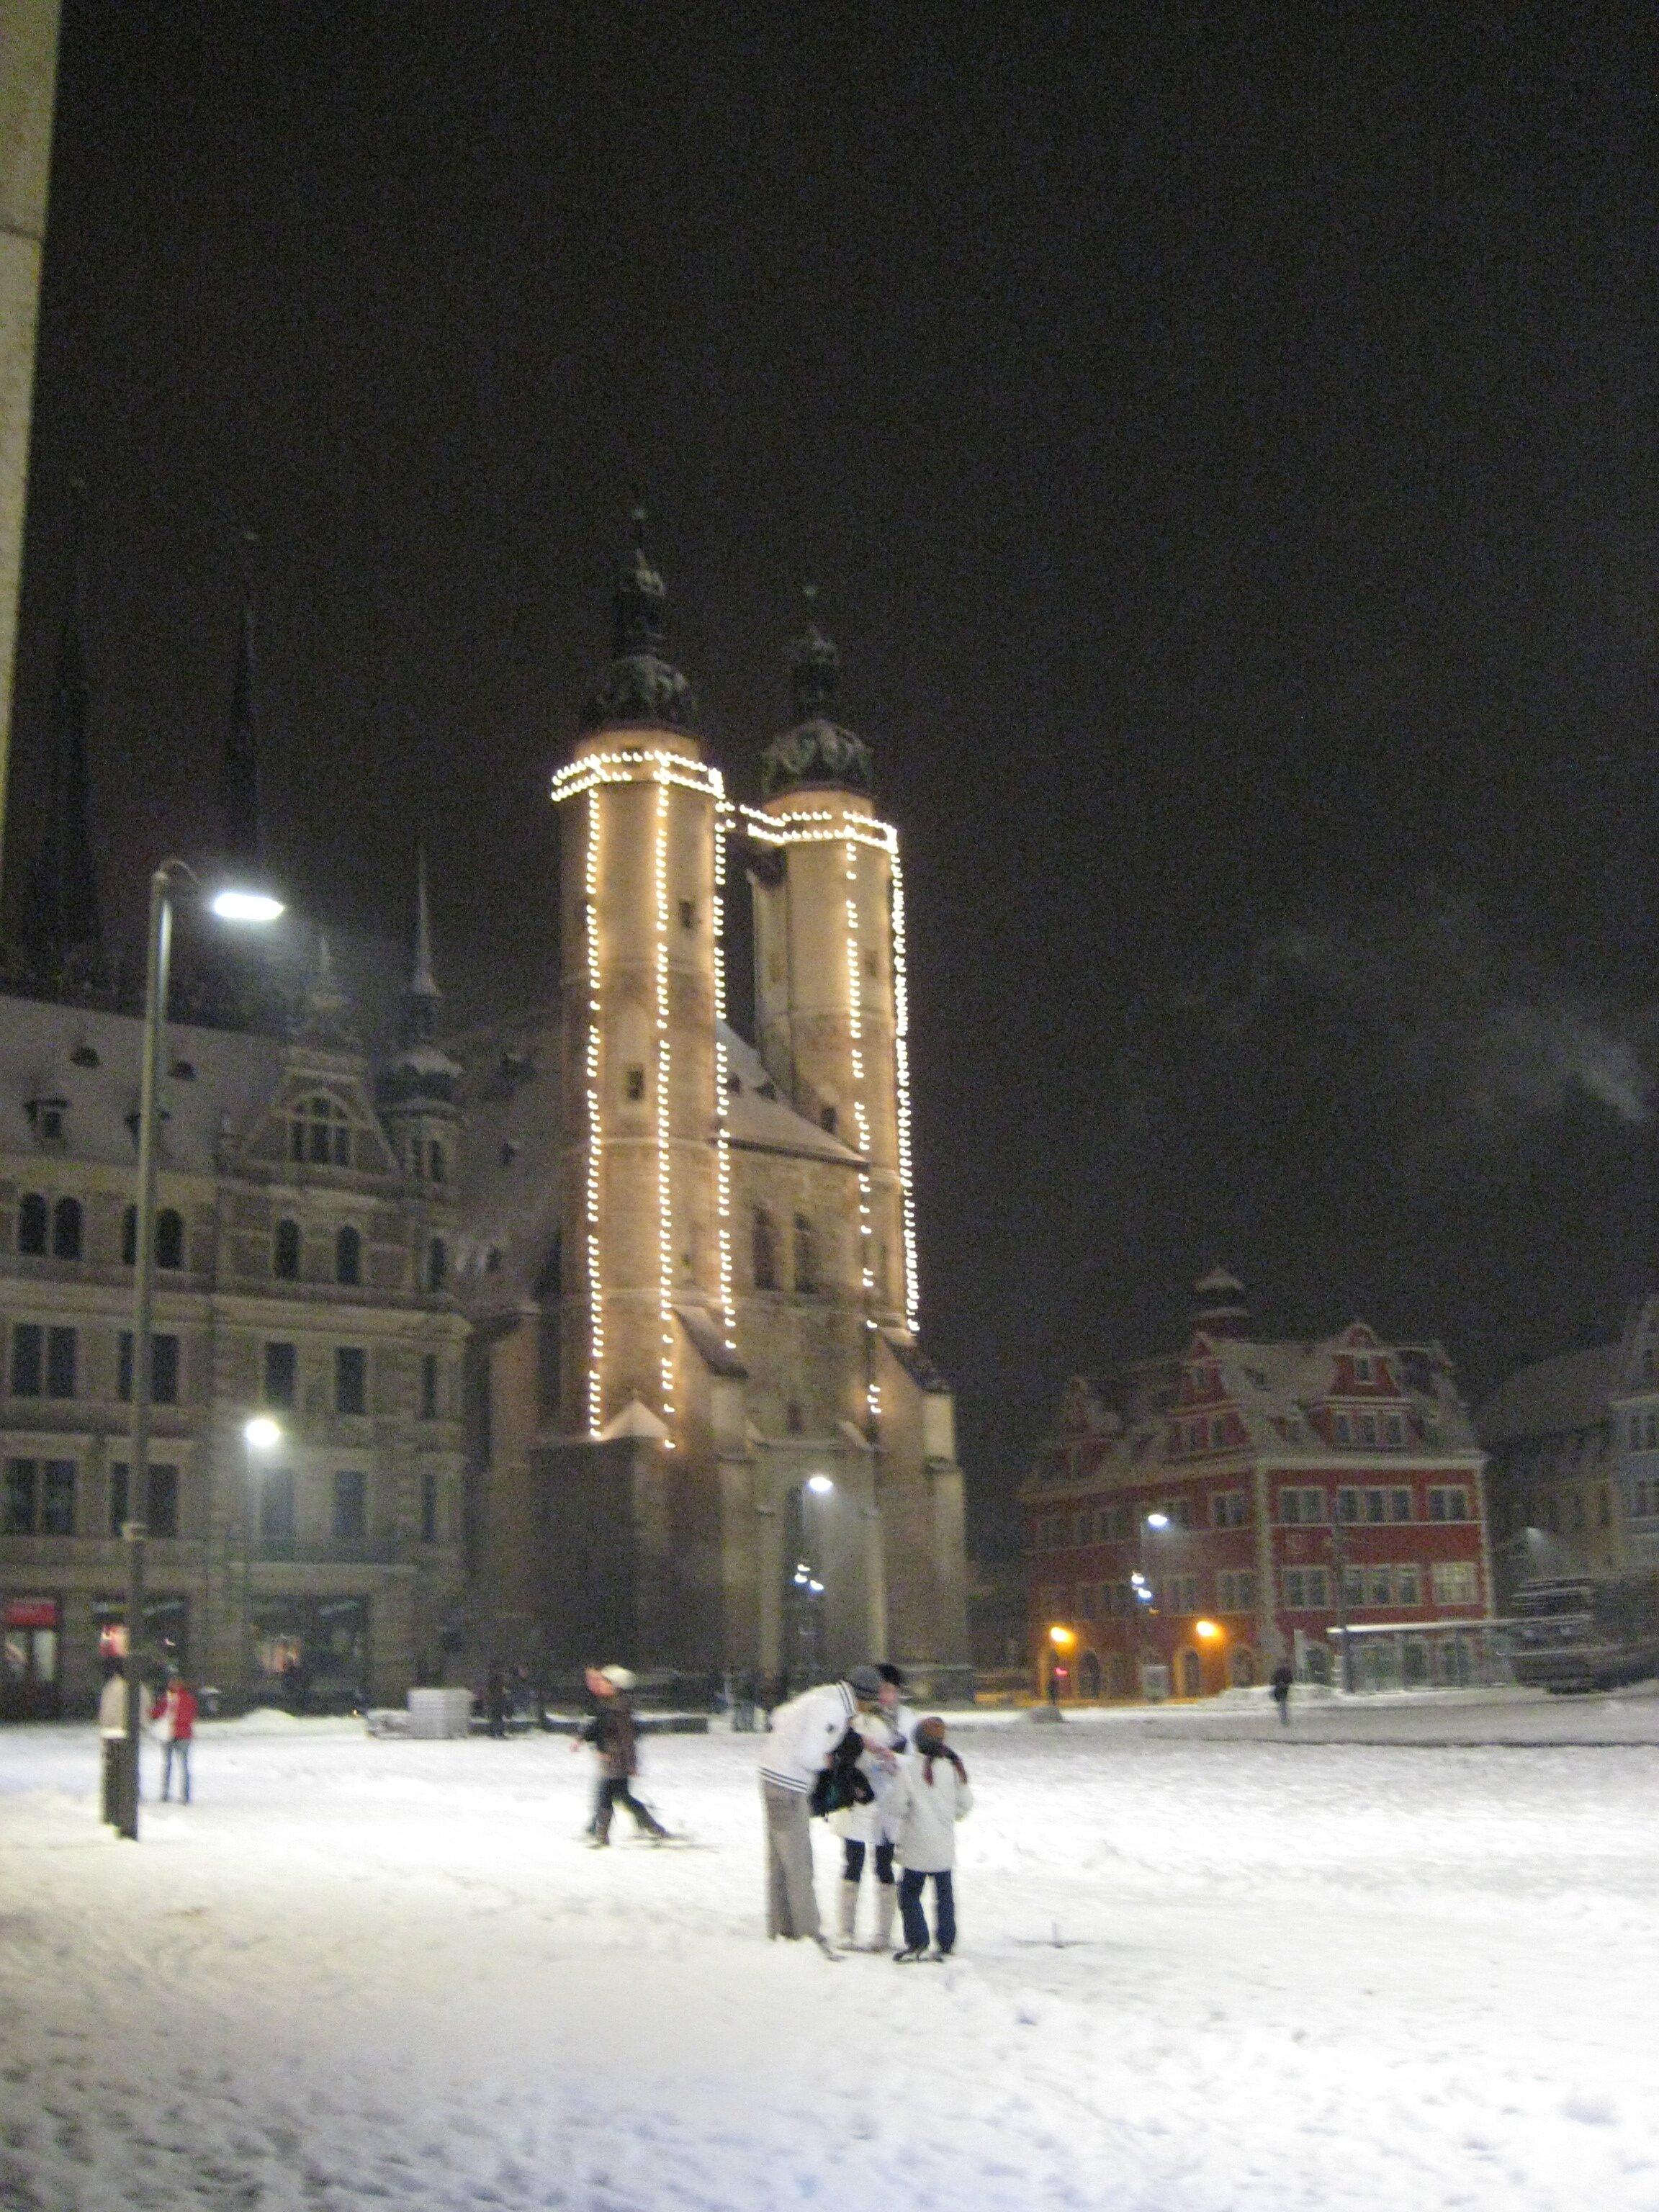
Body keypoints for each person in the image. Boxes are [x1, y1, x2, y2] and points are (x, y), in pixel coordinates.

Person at [759, 1663, 884, 1956]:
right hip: (789, 1785)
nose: (868, 1711)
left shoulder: (824, 1695)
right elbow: (809, 1756)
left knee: (780, 1861)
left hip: (771, 1775)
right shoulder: (833, 1710)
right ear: (863, 1698)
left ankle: (782, 1928)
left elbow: (779, 1716)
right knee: (799, 1862)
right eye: (870, 1704)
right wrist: (832, 1760)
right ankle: (808, 1934)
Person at [835, 1661, 917, 1953]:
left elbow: (913, 1760)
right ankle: (846, 1931)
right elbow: (845, 1751)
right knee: (853, 1862)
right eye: (881, 1689)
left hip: (887, 1802)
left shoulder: (906, 1721)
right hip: (858, 1798)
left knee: (884, 1865)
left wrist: (895, 1760)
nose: (885, 1696)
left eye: (891, 1690)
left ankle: (883, 1933)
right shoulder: (857, 1717)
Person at [890, 1715, 972, 1961]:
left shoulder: (909, 1771)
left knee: (909, 1894)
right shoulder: (953, 1768)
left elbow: (897, 1806)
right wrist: (950, 1816)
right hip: (943, 1846)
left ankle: (918, 1940)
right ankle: (946, 1942)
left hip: (916, 1846)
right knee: (944, 1896)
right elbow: (966, 1804)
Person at [575, 1665, 670, 1843]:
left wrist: (631, 1764)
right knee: (622, 1797)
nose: (600, 1685)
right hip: (611, 1759)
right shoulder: (608, 1705)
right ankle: (653, 1828)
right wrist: (585, 1740)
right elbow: (597, 1728)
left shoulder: (619, 1709)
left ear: (615, 1686)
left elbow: (627, 1740)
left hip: (617, 1760)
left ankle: (602, 1836)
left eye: (605, 1682)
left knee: (609, 1796)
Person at [152, 1670, 198, 1803]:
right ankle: (175, 1794)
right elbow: (157, 1713)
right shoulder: (171, 1698)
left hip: (178, 1734)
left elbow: (187, 1716)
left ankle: (179, 1794)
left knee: (177, 1765)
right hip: (176, 1734)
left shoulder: (183, 1698)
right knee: (175, 1765)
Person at [98, 1657, 132, 1825]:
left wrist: (104, 1732)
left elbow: (105, 1712)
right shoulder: (133, 1688)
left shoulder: (110, 1688)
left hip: (111, 1734)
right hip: (126, 1734)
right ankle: (123, 1805)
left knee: (111, 1774)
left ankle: (110, 1811)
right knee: (126, 1771)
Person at [1270, 1659, 1293, 1726]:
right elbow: (1291, 1680)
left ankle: (1283, 1718)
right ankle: (1284, 1719)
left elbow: (1273, 1680)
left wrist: (1277, 1683)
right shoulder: (1287, 1671)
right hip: (1284, 1689)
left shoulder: (1277, 1671)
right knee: (1283, 1704)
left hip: (1278, 1689)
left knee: (1281, 1704)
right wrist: (1286, 1683)